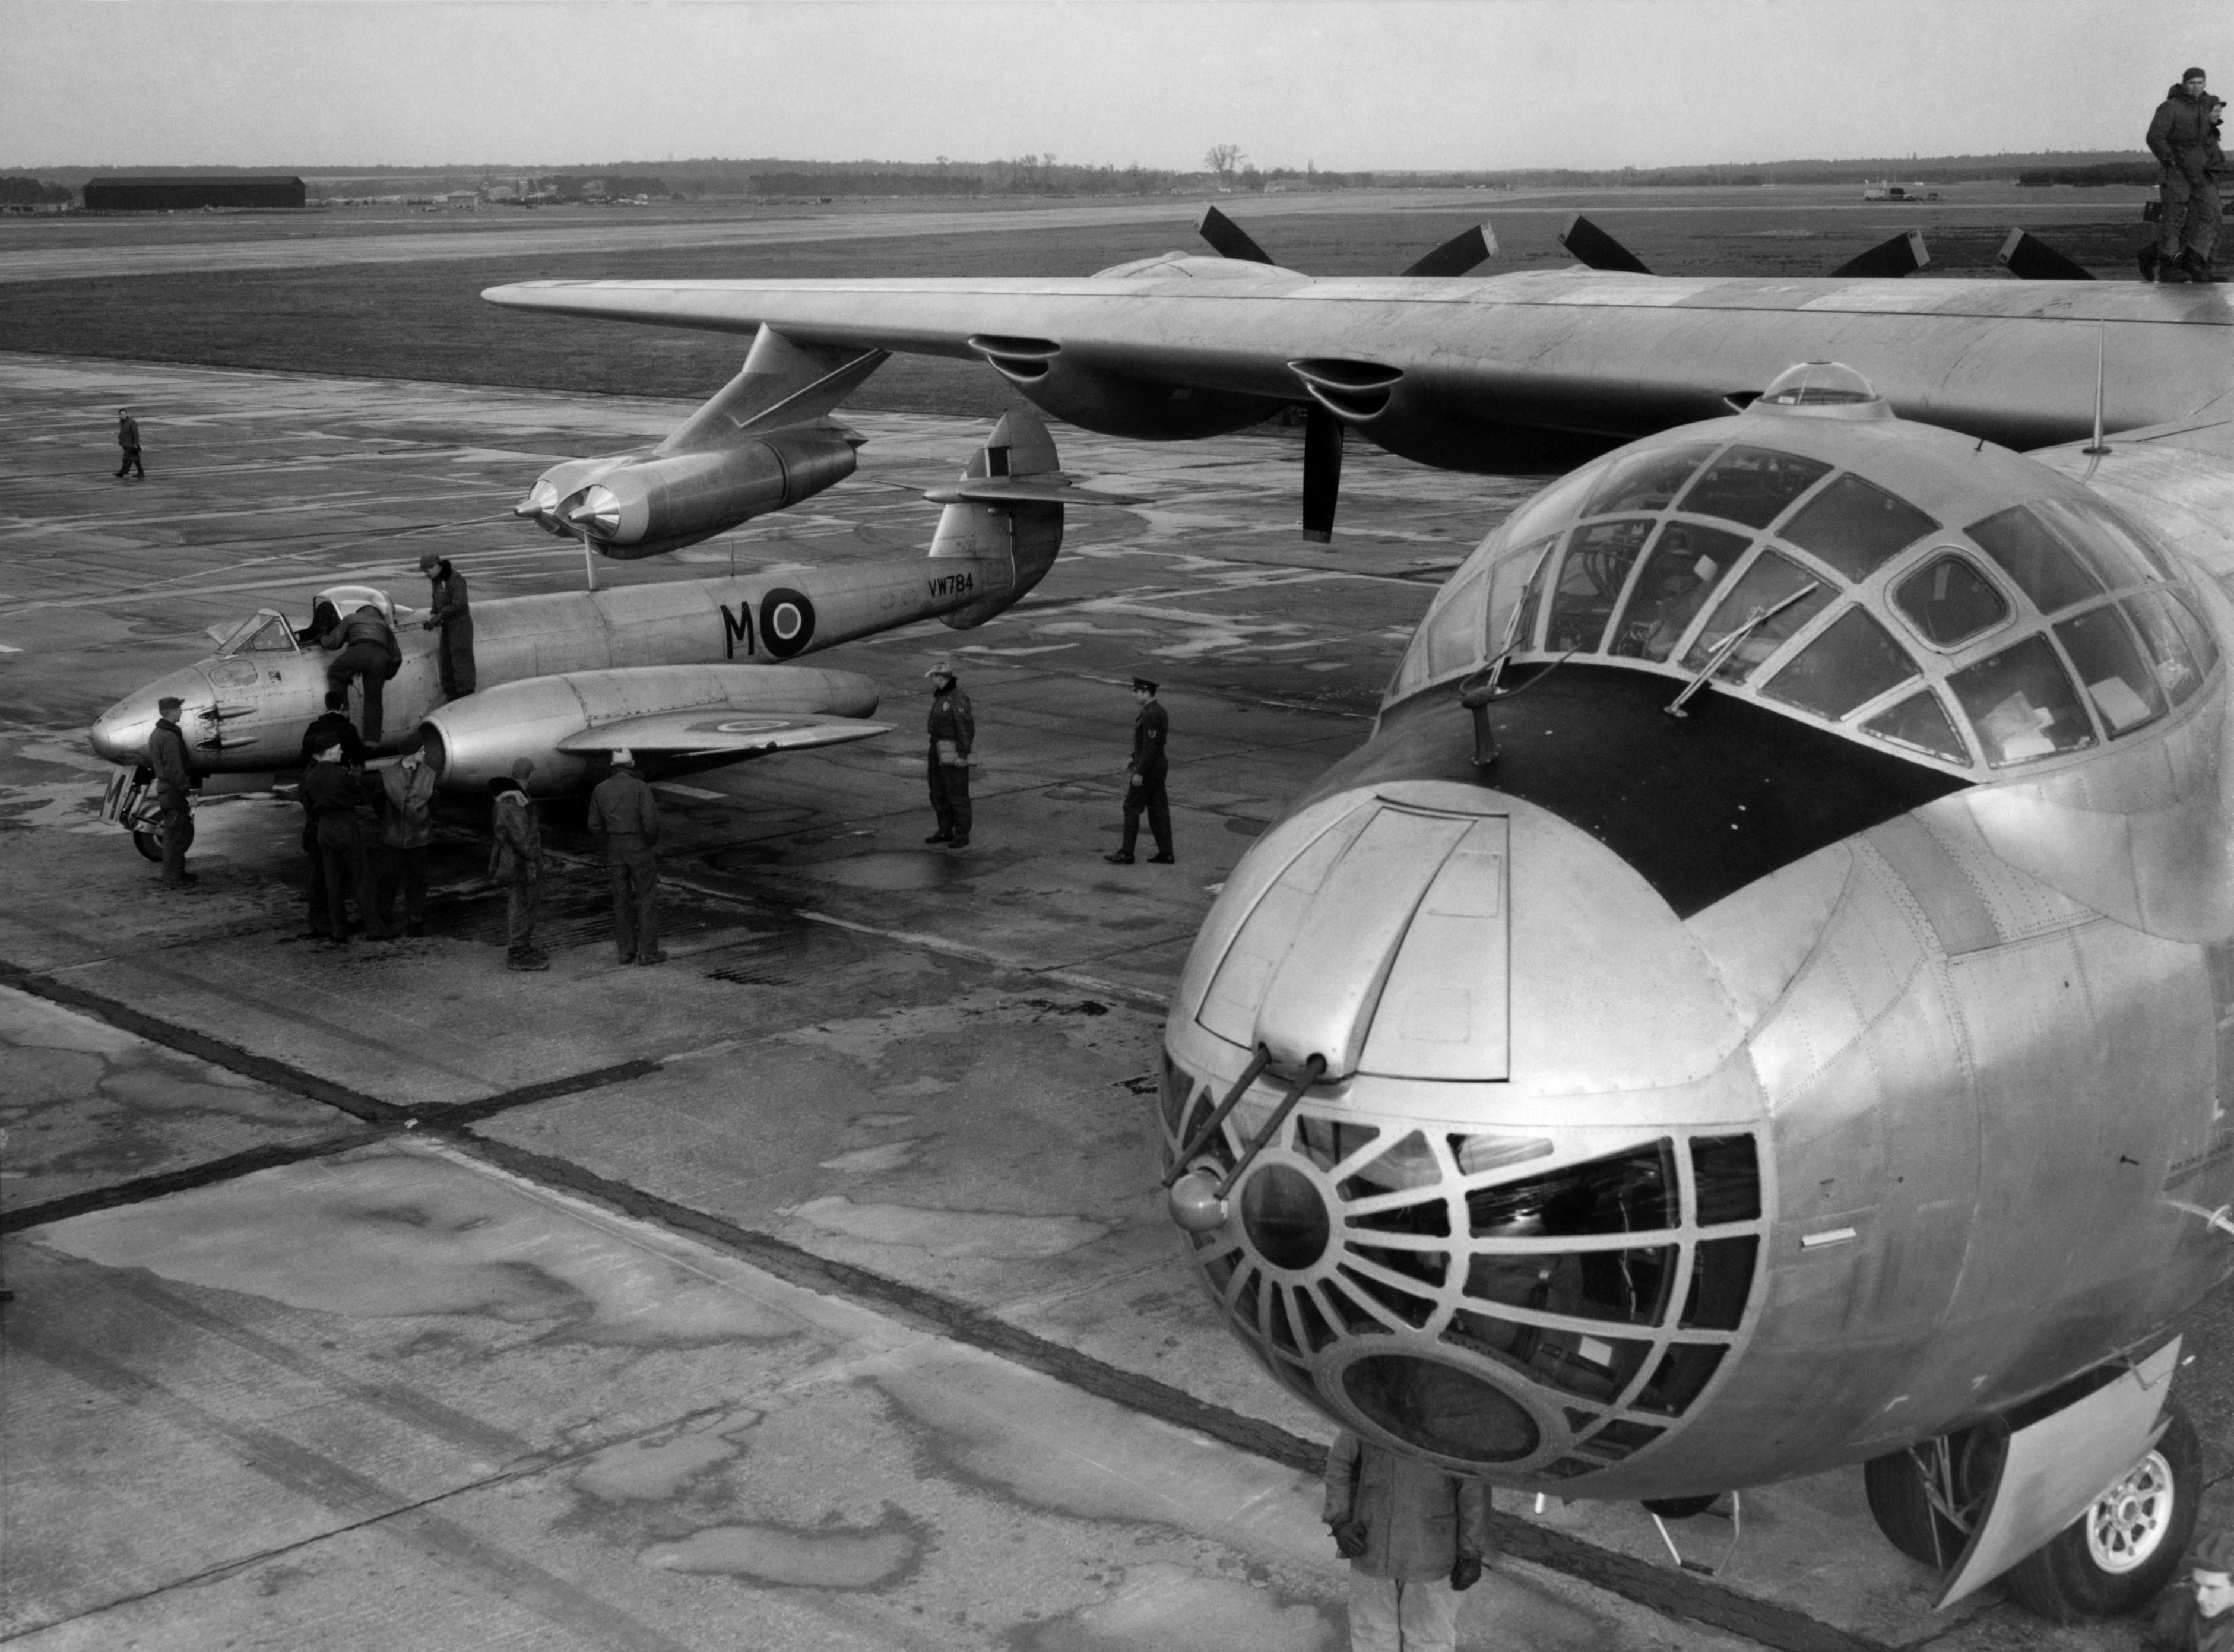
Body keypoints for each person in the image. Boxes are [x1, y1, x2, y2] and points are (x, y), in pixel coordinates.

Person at [1322, 1428, 1491, 1652]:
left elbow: (1473, 1488)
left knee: (1429, 1640)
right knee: (1372, 1637)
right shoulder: (1369, 1405)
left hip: (1428, 1558)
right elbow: (1340, 1461)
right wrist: (1340, 1523)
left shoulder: (1452, 1421)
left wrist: (1471, 1553)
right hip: (1371, 1551)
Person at [300, 735, 387, 941]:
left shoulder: (310, 777)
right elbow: (363, 797)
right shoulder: (342, 774)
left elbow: (310, 805)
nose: (341, 752)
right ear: (330, 751)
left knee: (332, 882)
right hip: (345, 827)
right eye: (338, 748)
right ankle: (374, 927)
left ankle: (339, 929)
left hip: (325, 829)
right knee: (361, 877)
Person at [298, 694, 369, 937]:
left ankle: (331, 924)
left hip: (320, 828)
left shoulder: (309, 771)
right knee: (344, 876)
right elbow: (359, 791)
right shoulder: (346, 734)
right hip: (334, 827)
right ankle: (324, 922)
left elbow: (307, 801)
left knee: (325, 878)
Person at [2146, 67, 2225, 283]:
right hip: (2177, 170)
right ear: (2184, 84)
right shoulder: (2170, 107)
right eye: (2192, 82)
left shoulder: (2206, 106)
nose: (2196, 86)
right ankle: (2168, 266)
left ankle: (2195, 258)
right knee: (2173, 219)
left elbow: (2210, 134)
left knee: (2213, 213)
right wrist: (2170, 159)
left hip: (2201, 170)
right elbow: (2154, 137)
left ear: (2205, 84)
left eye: (2200, 82)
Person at [587, 748, 664, 965]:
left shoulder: (600, 789)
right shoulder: (640, 787)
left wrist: (609, 840)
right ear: (632, 764)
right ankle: (648, 952)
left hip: (615, 848)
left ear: (613, 765)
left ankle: (626, 951)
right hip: (638, 846)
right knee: (646, 898)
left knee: (621, 900)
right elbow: (651, 822)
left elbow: (593, 824)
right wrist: (648, 843)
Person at [1106, 675, 1173, 865]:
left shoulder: (1150, 714)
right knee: (1158, 809)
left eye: (1137, 692)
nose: (1135, 695)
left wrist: (1140, 772)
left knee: (1131, 807)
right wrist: (1134, 756)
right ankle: (1166, 853)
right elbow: (1151, 744)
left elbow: (1151, 747)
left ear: (1146, 692)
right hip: (1158, 765)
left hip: (1150, 768)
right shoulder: (1159, 710)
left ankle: (1127, 852)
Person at [489, 764, 547, 971]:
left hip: (518, 862)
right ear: (530, 775)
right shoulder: (513, 802)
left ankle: (523, 947)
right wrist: (535, 857)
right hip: (520, 864)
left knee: (523, 904)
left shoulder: (511, 798)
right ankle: (518, 952)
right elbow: (522, 838)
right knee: (522, 905)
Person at [318, 602, 401, 744]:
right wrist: (386, 675)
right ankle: (372, 742)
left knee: (335, 674)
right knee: (374, 701)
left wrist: (321, 638)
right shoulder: (384, 625)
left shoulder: (351, 618)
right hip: (381, 658)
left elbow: (332, 643)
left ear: (360, 612)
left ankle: (343, 712)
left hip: (359, 651)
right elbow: (397, 657)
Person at [377, 746, 438, 937]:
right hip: (408, 834)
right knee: (391, 878)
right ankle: (389, 914)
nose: (425, 753)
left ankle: (413, 914)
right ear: (411, 752)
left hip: (405, 835)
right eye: (421, 750)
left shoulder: (388, 774)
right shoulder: (426, 775)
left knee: (416, 878)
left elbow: (378, 802)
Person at [2146, 1528, 2234, 1651]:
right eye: (2197, 1584)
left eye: (2212, 1588)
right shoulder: (2181, 1606)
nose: (2200, 1597)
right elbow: (2153, 1645)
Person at [145, 695, 197, 886]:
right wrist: (187, 793)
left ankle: (178, 873)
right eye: (180, 709)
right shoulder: (169, 737)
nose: (182, 712)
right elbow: (175, 769)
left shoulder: (157, 734)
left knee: (176, 833)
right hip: (174, 792)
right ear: (173, 712)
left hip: (166, 791)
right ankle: (172, 878)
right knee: (176, 836)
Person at [923, 657, 974, 849]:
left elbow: (965, 728)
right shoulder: (942, 696)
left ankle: (962, 834)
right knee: (938, 791)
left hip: (951, 748)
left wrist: (962, 755)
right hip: (936, 747)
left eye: (933, 677)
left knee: (957, 793)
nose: (932, 680)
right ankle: (945, 830)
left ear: (939, 677)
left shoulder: (957, 698)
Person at [419, 553, 476, 699]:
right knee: (446, 657)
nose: (426, 574)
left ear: (437, 566)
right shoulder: (436, 579)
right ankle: (451, 691)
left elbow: (460, 604)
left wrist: (440, 615)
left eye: (428, 571)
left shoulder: (455, 579)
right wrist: (434, 613)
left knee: (460, 657)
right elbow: (436, 597)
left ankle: (465, 692)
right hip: (448, 624)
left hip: (460, 624)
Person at [115, 408, 144, 480]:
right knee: (136, 459)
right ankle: (140, 473)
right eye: (122, 414)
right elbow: (123, 432)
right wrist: (120, 440)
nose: (124, 415)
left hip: (131, 444)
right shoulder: (122, 422)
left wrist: (136, 444)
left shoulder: (131, 422)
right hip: (126, 444)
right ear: (120, 415)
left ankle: (122, 472)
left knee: (126, 458)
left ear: (127, 414)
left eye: (125, 414)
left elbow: (135, 434)